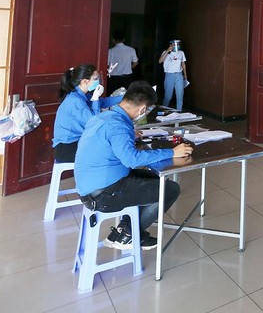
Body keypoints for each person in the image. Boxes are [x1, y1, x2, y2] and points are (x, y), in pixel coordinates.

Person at [75, 81, 193, 250]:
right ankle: (129, 234)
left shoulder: (104, 117)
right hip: (102, 194)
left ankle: (124, 228)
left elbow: (111, 143)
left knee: (156, 179)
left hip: (93, 184)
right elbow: (132, 160)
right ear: (143, 109)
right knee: (170, 190)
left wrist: (129, 137)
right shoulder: (118, 125)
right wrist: (172, 152)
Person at [51, 64, 122, 163]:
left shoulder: (82, 95)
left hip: (78, 142)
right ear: (85, 81)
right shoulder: (75, 100)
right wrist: (95, 98)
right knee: (109, 151)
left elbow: (104, 102)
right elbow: (94, 122)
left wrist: (126, 97)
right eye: (95, 79)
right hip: (67, 147)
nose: (98, 81)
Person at [159, 39, 188, 111]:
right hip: (169, 75)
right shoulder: (165, 52)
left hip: (179, 75)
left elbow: (183, 63)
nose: (176, 46)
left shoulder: (181, 53)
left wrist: (185, 74)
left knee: (180, 95)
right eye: (174, 45)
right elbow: (160, 61)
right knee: (168, 96)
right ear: (170, 45)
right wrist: (167, 51)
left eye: (178, 44)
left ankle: (179, 112)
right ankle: (163, 110)